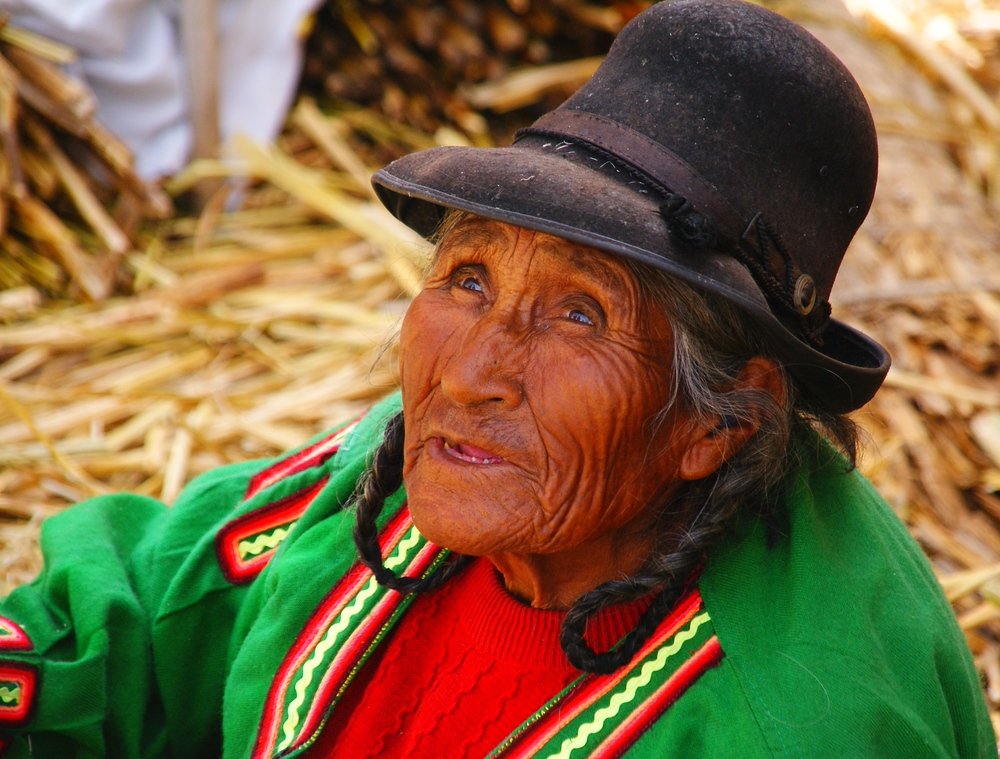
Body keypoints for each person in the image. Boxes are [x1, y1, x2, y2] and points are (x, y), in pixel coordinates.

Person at [0, 1, 992, 756]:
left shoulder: (797, 721)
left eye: (578, 315)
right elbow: (142, 607)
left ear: (718, 426)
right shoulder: (409, 487)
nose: (469, 373)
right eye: (468, 278)